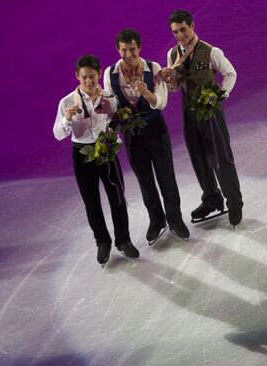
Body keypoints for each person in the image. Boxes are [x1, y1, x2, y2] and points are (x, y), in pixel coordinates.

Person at [103, 28, 189, 243]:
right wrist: (107, 111)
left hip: (155, 130)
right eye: (124, 50)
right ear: (118, 49)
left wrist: (144, 92)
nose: (128, 54)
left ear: (139, 47)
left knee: (166, 176)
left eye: (132, 49)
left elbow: (161, 101)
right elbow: (112, 104)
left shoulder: (154, 68)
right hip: (132, 135)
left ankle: (175, 219)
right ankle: (156, 220)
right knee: (145, 181)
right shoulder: (110, 73)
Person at [53, 54, 139, 267]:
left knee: (117, 197)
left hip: (106, 150)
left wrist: (117, 129)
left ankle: (124, 240)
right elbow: (57, 134)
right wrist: (67, 119)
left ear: (99, 74)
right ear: (77, 77)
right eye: (84, 78)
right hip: (82, 153)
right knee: (91, 202)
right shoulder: (66, 102)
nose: (89, 82)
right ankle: (102, 242)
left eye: (92, 77)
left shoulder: (109, 97)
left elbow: (114, 123)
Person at [161, 9, 243, 227]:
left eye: (183, 30)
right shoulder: (172, 55)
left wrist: (219, 96)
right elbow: (175, 87)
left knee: (220, 157)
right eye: (175, 32)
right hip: (188, 112)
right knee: (198, 157)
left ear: (192, 26)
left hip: (210, 112)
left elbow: (230, 74)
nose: (180, 35)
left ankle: (234, 202)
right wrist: (169, 80)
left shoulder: (210, 51)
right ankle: (212, 199)